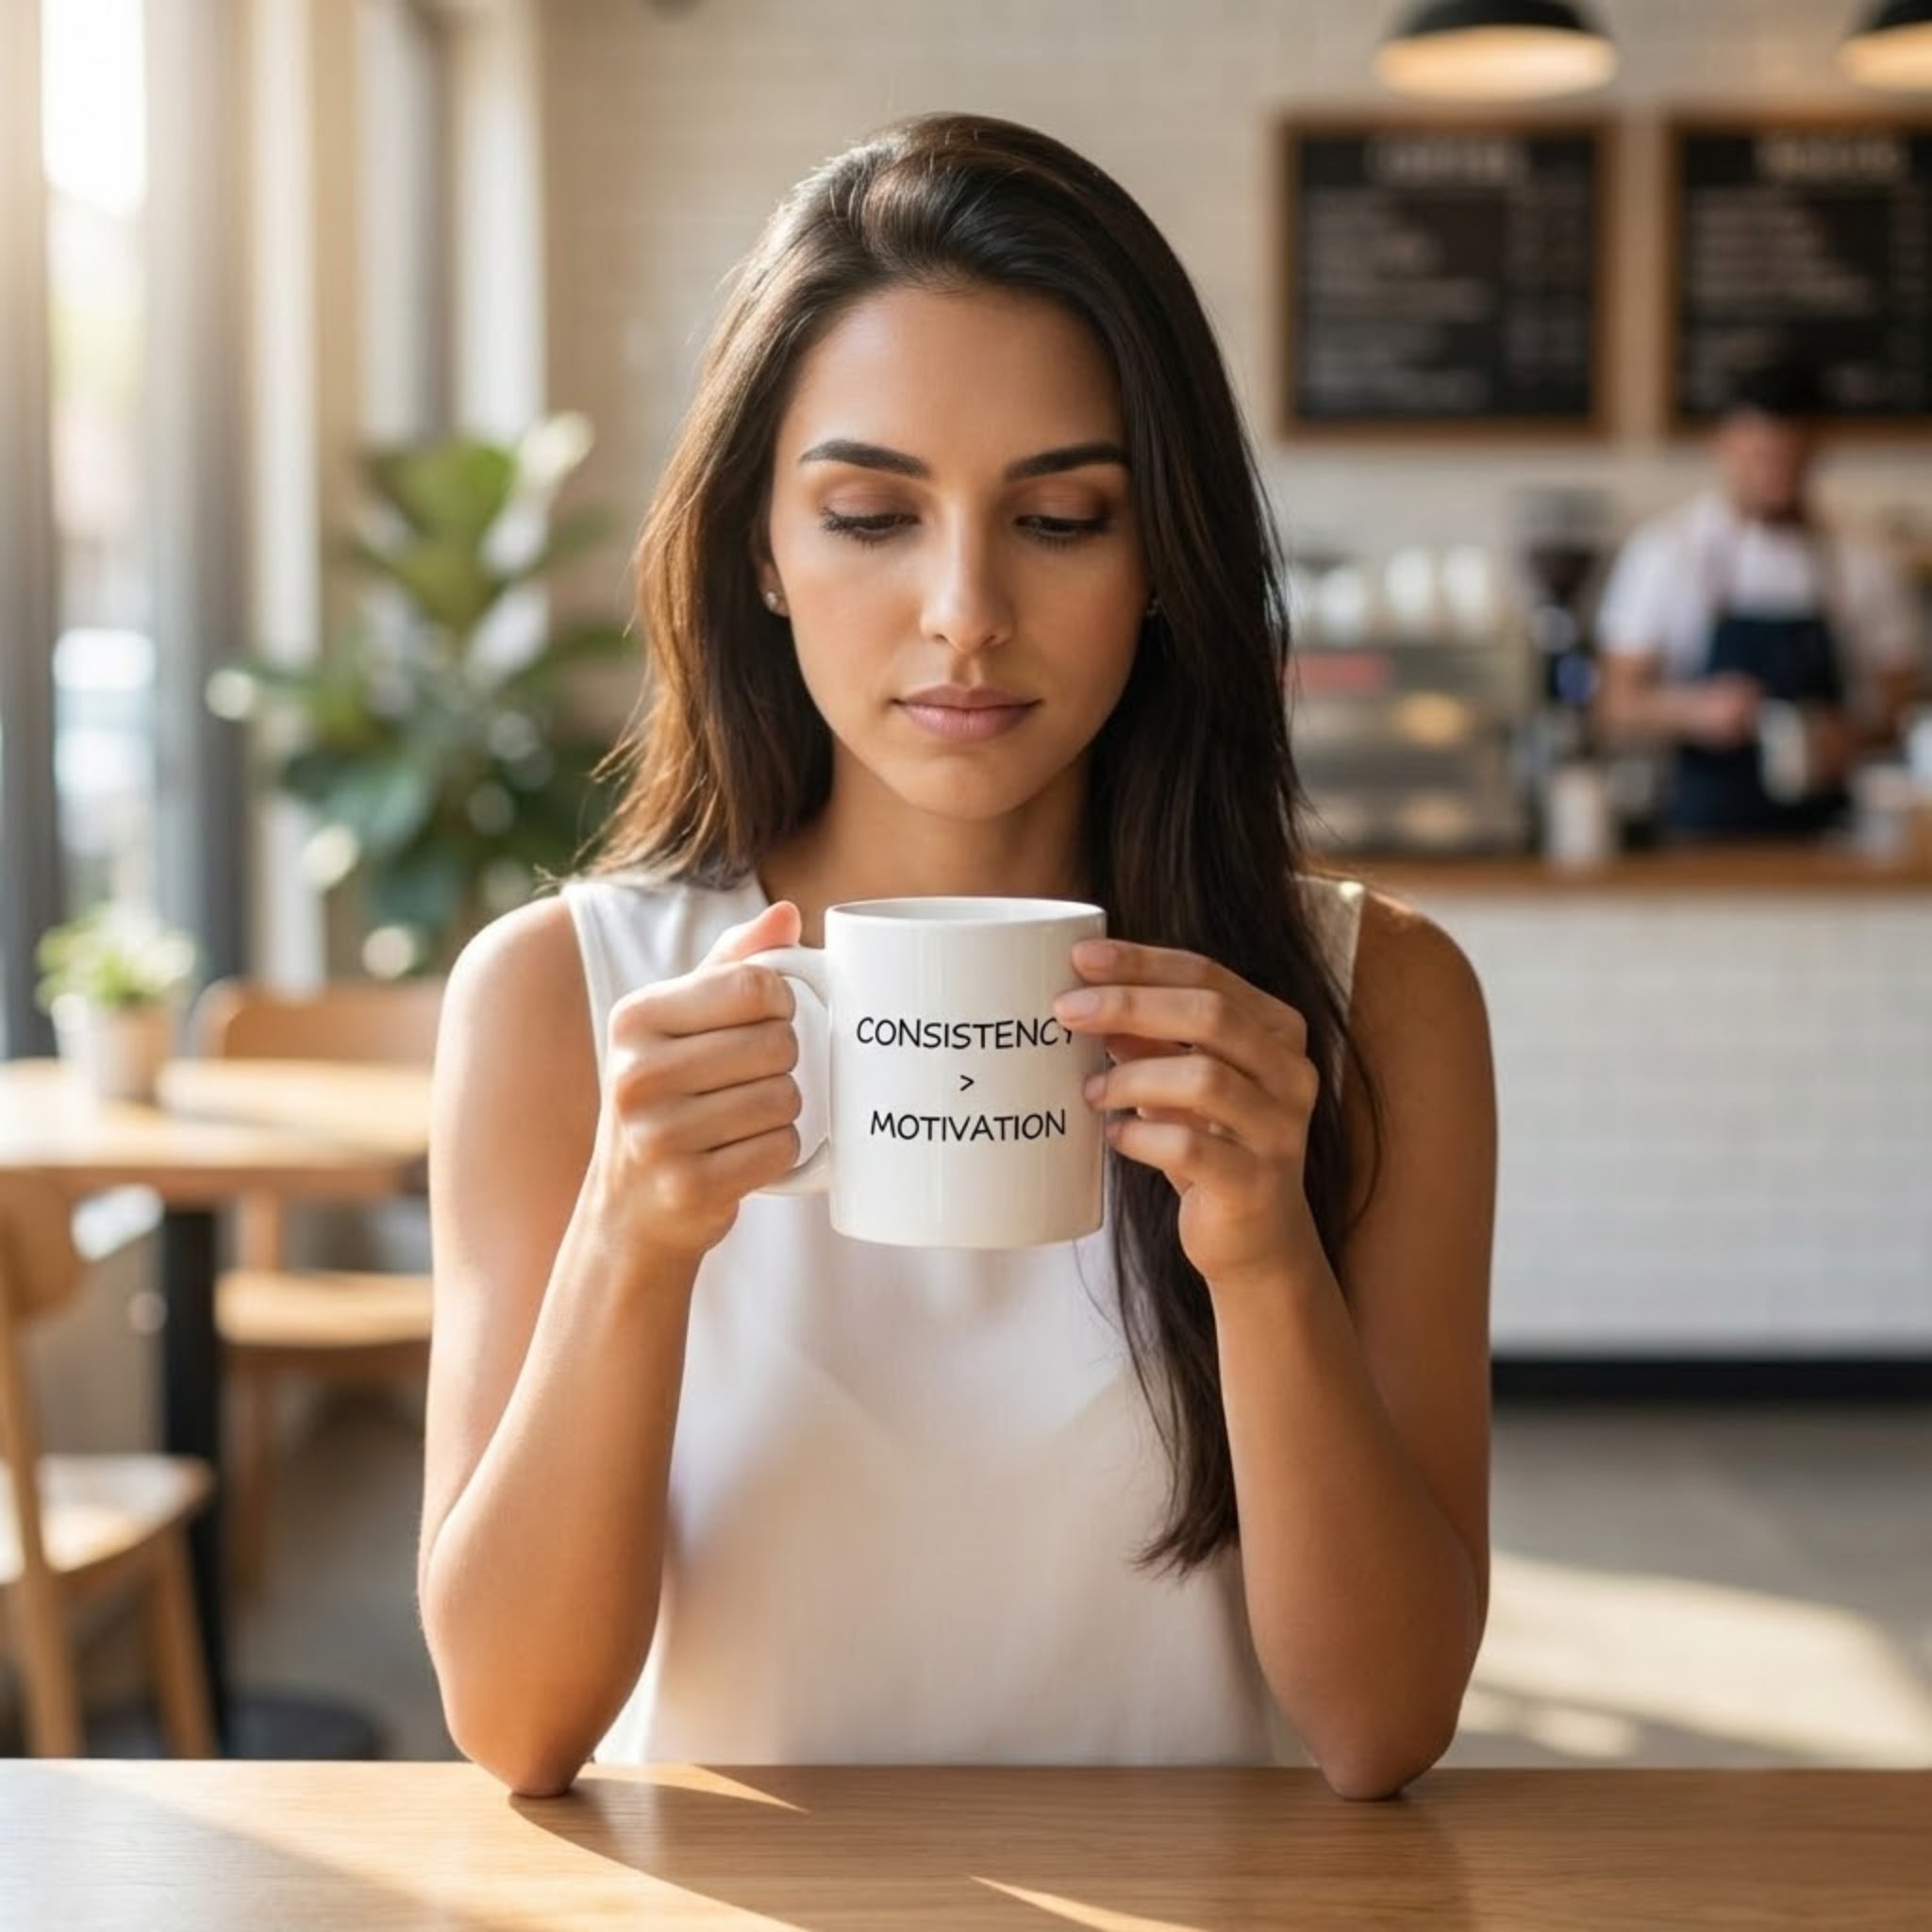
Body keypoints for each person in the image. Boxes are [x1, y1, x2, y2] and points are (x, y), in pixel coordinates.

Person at [418, 112, 1495, 1803]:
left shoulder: (1372, 1003)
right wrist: (630, 1241)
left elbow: (1381, 1724)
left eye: (1060, 518)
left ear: (1162, 562)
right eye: (868, 514)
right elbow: (514, 1718)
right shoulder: (564, 993)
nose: (963, 608)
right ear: (758, 549)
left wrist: (1266, 1259)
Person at [1593, 359, 1924, 839]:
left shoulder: (1865, 559)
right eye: (1759, 457)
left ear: (1817, 450)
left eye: (1791, 460)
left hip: (1837, 833)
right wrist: (1696, 711)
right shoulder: (1665, 551)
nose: (1775, 475)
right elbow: (1613, 707)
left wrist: (1849, 736)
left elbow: (1901, 711)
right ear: (1723, 444)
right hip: (1701, 833)